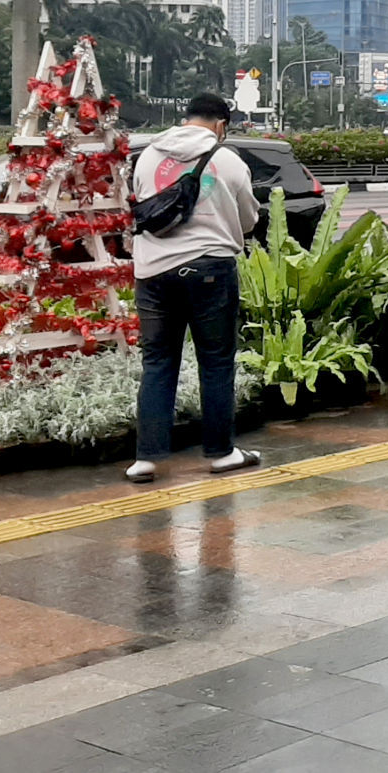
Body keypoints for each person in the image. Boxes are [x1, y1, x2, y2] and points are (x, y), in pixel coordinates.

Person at [126, 93, 261, 484]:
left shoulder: (150, 155)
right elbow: (249, 218)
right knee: (216, 362)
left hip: (152, 271)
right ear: (221, 124)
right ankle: (221, 454)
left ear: (186, 119)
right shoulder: (227, 160)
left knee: (158, 362)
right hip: (209, 270)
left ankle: (146, 459)